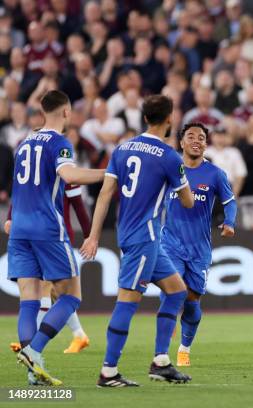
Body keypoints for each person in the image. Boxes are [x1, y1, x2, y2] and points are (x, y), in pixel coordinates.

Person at [80, 95, 195, 387]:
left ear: (145, 118)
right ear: (169, 119)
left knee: (177, 290)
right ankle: (108, 371)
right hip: (145, 236)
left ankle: (161, 362)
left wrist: (93, 235)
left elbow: (105, 194)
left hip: (132, 233)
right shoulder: (169, 156)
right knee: (127, 301)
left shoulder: (121, 149)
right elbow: (189, 201)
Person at [9, 90, 105, 386]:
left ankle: (32, 369)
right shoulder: (59, 143)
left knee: (30, 301)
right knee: (71, 296)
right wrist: (110, 172)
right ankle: (34, 349)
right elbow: (69, 175)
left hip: (19, 229)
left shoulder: (24, 143)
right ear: (66, 113)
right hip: (47, 229)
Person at [161, 122, 237, 367]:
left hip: (199, 249)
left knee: (192, 301)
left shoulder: (215, 174)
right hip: (170, 243)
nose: (196, 140)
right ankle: (161, 354)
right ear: (181, 143)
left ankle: (184, 348)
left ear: (206, 144)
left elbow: (230, 201)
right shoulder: (170, 170)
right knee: (174, 290)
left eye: (201, 137)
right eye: (191, 136)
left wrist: (229, 222)